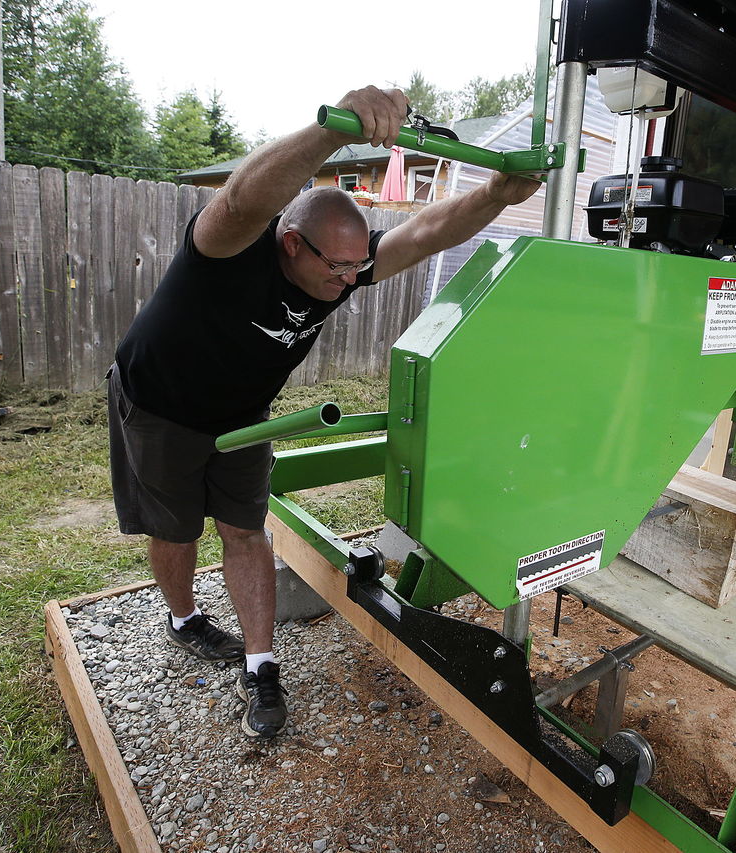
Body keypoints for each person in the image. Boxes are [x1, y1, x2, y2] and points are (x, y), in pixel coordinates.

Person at [108, 86, 540, 737]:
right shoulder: (226, 249)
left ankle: (261, 666)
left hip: (243, 415)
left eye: (357, 264)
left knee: (245, 529)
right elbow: (240, 197)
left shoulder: (343, 264)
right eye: (337, 267)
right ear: (291, 244)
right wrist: (331, 134)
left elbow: (422, 234)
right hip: (160, 404)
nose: (350, 280)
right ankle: (184, 618)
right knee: (176, 529)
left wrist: (495, 196)